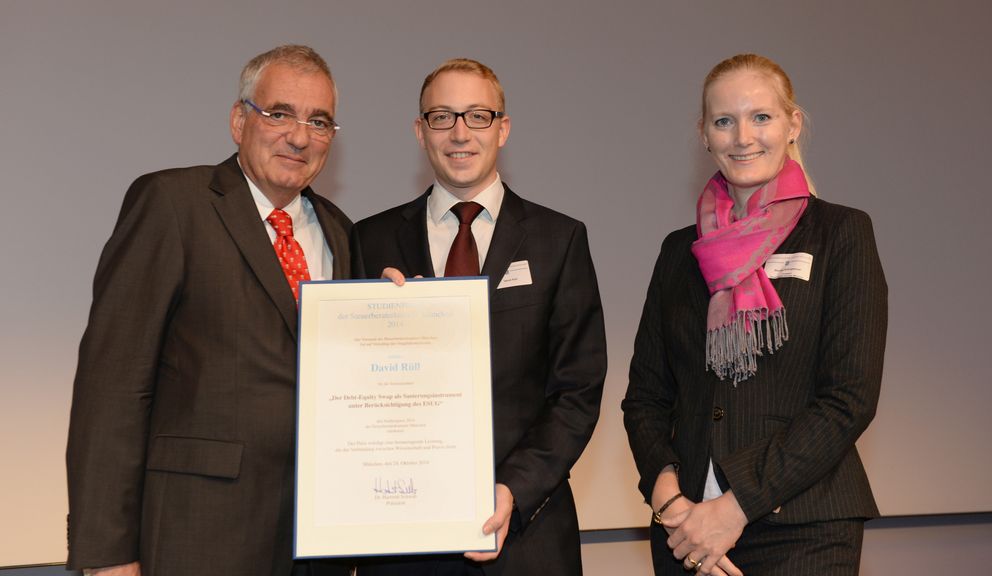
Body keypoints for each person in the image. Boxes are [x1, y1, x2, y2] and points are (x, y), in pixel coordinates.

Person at [66, 45, 353, 576]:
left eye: (319, 121)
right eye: (280, 113)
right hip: (196, 534)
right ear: (239, 120)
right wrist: (106, 553)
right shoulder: (173, 204)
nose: (299, 135)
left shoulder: (341, 231)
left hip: (314, 546)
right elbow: (113, 384)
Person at [623, 53, 887, 576]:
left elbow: (848, 398)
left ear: (793, 124)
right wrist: (673, 505)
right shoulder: (679, 251)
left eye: (761, 117)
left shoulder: (841, 233)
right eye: (724, 121)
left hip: (805, 531)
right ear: (704, 134)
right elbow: (646, 399)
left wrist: (736, 503)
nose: (743, 136)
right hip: (688, 534)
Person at [349, 58, 607, 575]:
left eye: (478, 116)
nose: (460, 132)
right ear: (420, 132)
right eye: (442, 117)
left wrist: (512, 487)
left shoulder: (559, 240)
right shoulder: (368, 241)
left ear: (503, 129)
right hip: (405, 543)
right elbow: (349, 389)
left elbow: (577, 390)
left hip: (529, 537)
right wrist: (372, 329)